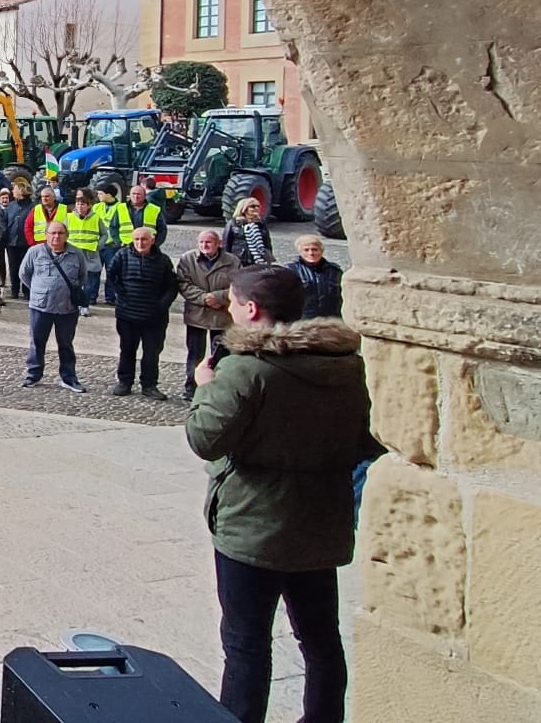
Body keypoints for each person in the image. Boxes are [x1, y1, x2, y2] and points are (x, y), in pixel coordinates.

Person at [187, 266, 374, 723]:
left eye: (232, 303)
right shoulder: (346, 365)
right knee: (321, 639)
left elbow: (205, 439)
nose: (229, 311)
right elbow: (367, 439)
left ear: (251, 310)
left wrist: (204, 390)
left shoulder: (245, 370)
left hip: (254, 524)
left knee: (246, 642)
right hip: (320, 520)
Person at [105, 226, 178, 398]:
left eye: (144, 239)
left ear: (152, 240)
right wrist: (121, 297)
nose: (140, 243)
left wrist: (162, 305)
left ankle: (149, 385)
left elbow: (172, 286)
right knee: (127, 350)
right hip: (127, 315)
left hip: (154, 318)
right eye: (137, 239)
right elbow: (111, 276)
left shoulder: (163, 261)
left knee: (151, 353)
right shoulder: (122, 256)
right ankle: (125, 382)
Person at [17, 220, 88, 392]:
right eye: (53, 233)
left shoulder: (76, 254)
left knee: (66, 344)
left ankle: (69, 377)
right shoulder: (34, 252)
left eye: (60, 233)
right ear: (46, 235)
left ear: (66, 236)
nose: (56, 237)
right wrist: (40, 290)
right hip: (40, 306)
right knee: (37, 342)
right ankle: (33, 374)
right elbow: (24, 274)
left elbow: (82, 277)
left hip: (67, 308)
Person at [177, 228, 242, 400]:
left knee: (221, 354)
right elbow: (183, 283)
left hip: (222, 316)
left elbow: (238, 285)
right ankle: (191, 387)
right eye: (201, 243)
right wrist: (204, 298)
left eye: (208, 242)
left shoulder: (232, 261)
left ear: (218, 244)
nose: (204, 246)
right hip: (197, 314)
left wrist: (218, 297)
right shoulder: (187, 259)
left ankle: (219, 387)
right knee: (195, 353)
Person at [62, 189, 105, 313]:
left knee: (89, 283)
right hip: (74, 255)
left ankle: (85, 306)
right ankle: (73, 303)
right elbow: (64, 233)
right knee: (73, 282)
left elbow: (104, 235)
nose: (80, 207)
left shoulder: (96, 218)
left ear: (88, 205)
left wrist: (98, 245)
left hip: (90, 255)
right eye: (78, 204)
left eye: (83, 204)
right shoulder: (69, 217)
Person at [288, 235, 344, 319]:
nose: (311, 253)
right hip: (302, 320)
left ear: (321, 251)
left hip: (331, 319)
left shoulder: (335, 271)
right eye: (306, 250)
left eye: (314, 249)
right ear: (300, 252)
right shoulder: (290, 270)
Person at [0, 188, 27, 304]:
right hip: (12, 241)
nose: (13, 192)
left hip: (25, 242)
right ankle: (14, 290)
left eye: (15, 190)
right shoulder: (11, 207)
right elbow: (5, 224)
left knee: (26, 267)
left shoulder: (31, 206)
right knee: (13, 267)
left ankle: (26, 290)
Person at [113, 182, 167, 253]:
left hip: (147, 248)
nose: (136, 196)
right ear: (129, 195)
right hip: (126, 247)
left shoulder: (154, 209)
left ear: (145, 196)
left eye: (139, 194)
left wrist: (155, 244)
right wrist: (118, 242)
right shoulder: (120, 208)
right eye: (133, 194)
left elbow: (162, 230)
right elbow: (113, 227)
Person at [223, 197, 275, 267]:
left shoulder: (261, 224)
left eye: (258, 206)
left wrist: (268, 258)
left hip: (258, 261)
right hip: (239, 260)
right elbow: (226, 243)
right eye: (253, 206)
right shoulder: (233, 223)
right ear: (244, 209)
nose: (256, 208)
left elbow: (267, 242)